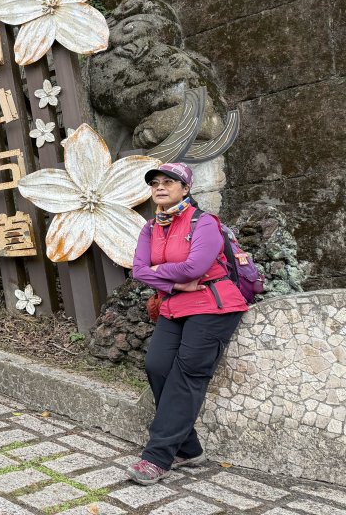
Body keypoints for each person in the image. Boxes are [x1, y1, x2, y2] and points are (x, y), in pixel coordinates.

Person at [129, 161, 248, 485]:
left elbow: (195, 266)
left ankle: (157, 457)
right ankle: (190, 449)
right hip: (175, 304)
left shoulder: (203, 222)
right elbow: (138, 270)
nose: (160, 186)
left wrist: (161, 276)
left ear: (185, 188)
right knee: (157, 366)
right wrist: (175, 284)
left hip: (213, 305)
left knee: (186, 376)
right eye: (155, 182)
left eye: (169, 181)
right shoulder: (150, 228)